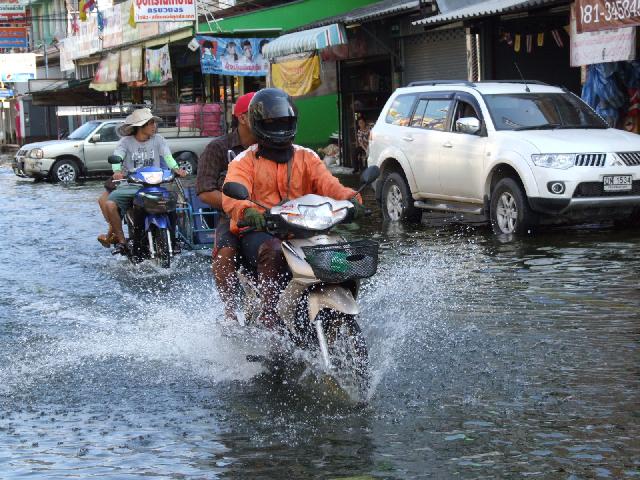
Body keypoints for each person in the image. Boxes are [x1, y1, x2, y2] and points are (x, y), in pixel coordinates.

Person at [222, 88, 366, 328]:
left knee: (340, 251)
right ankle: (271, 317)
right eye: (272, 122)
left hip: (305, 229)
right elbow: (233, 192)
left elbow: (331, 186)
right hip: (262, 231)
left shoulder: (307, 157)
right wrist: (248, 211)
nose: (279, 126)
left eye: (284, 121)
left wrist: (352, 200)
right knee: (274, 250)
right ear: (259, 125)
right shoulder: (244, 161)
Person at [196, 92, 257, 322]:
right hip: (231, 219)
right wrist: (239, 207)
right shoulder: (218, 148)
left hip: (274, 215)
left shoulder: (274, 145)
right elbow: (204, 190)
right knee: (225, 256)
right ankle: (230, 312)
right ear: (242, 118)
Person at [102, 108, 187, 253]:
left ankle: (174, 240)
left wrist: (176, 169)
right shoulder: (126, 142)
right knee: (110, 204)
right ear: (141, 126)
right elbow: (118, 157)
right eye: (151, 123)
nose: (154, 126)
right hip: (131, 185)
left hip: (154, 185)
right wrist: (117, 171)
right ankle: (122, 242)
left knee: (172, 203)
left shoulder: (159, 140)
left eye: (154, 123)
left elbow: (167, 157)